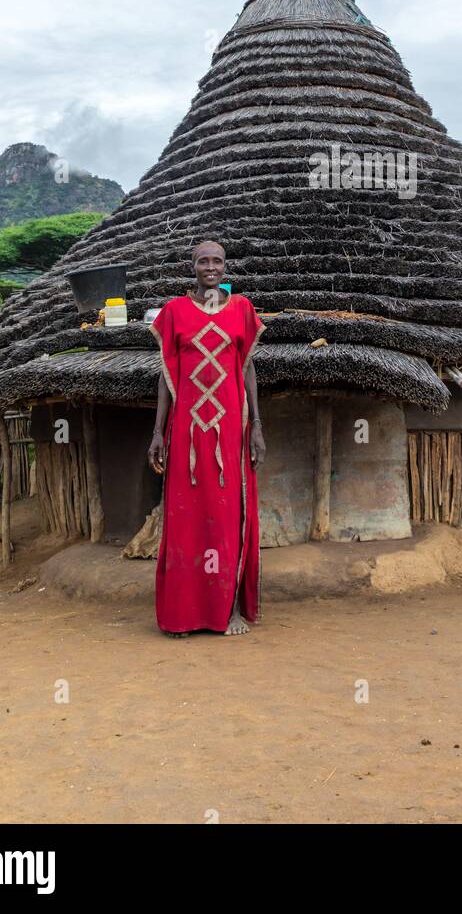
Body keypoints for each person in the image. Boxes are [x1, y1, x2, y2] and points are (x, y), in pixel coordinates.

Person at [146, 240, 266, 637]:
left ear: (225, 266)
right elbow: (167, 379)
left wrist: (258, 426)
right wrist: (158, 433)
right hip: (187, 432)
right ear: (192, 267)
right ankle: (182, 614)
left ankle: (227, 611)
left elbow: (247, 369)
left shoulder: (242, 310)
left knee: (227, 518)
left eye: (217, 261)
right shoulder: (174, 313)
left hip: (231, 431)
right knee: (186, 520)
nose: (210, 267)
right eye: (203, 261)